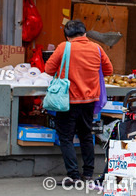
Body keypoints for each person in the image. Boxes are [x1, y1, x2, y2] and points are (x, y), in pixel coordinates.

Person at [45, 20, 114, 185]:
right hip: (90, 100)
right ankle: (88, 174)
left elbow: (48, 69)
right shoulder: (97, 48)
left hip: (68, 101)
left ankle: (74, 176)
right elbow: (109, 70)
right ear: (85, 33)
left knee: (66, 137)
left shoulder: (64, 47)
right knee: (86, 135)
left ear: (67, 36)